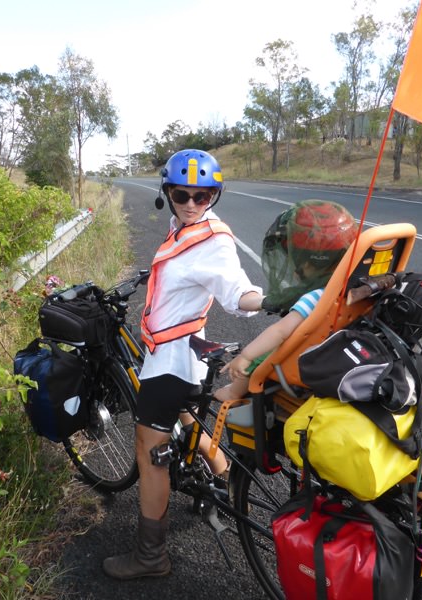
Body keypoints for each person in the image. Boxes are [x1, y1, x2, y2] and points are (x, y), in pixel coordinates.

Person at [102, 149, 264, 580]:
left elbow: (237, 291)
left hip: (171, 361)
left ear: (214, 194)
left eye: (203, 195)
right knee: (189, 416)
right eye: (182, 194)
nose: (192, 204)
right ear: (167, 193)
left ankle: (151, 557)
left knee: (148, 451)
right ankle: (225, 481)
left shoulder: (213, 240)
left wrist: (272, 300)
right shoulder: (183, 230)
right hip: (186, 352)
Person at [216, 200, 357, 404]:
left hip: (302, 359)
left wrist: (245, 356)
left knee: (261, 356)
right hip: (334, 354)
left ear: (307, 263)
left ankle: (232, 393)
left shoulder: (315, 297)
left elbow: (280, 331)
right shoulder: (352, 289)